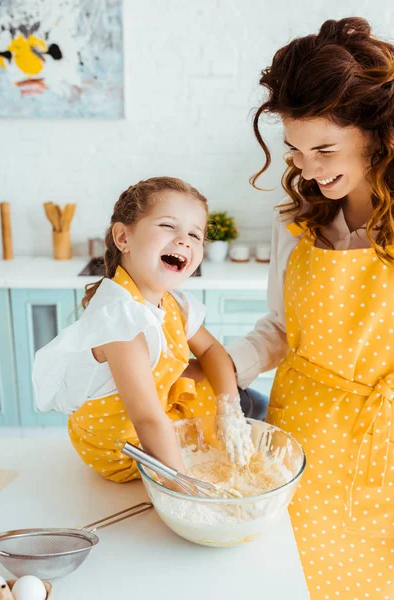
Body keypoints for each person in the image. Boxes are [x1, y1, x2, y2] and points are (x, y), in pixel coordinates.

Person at [226, 16, 394, 600]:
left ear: (375, 133)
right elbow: (280, 329)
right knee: (291, 578)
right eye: (294, 149)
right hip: (295, 444)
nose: (307, 167)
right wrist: (227, 364)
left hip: (384, 451)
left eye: (325, 148)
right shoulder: (295, 223)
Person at [33, 176, 265, 483]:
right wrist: (185, 488)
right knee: (242, 406)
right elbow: (147, 419)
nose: (184, 240)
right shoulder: (119, 318)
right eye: (168, 226)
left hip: (155, 415)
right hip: (125, 448)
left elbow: (211, 351)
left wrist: (229, 408)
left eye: (195, 235)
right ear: (123, 237)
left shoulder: (174, 304)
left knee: (247, 399)